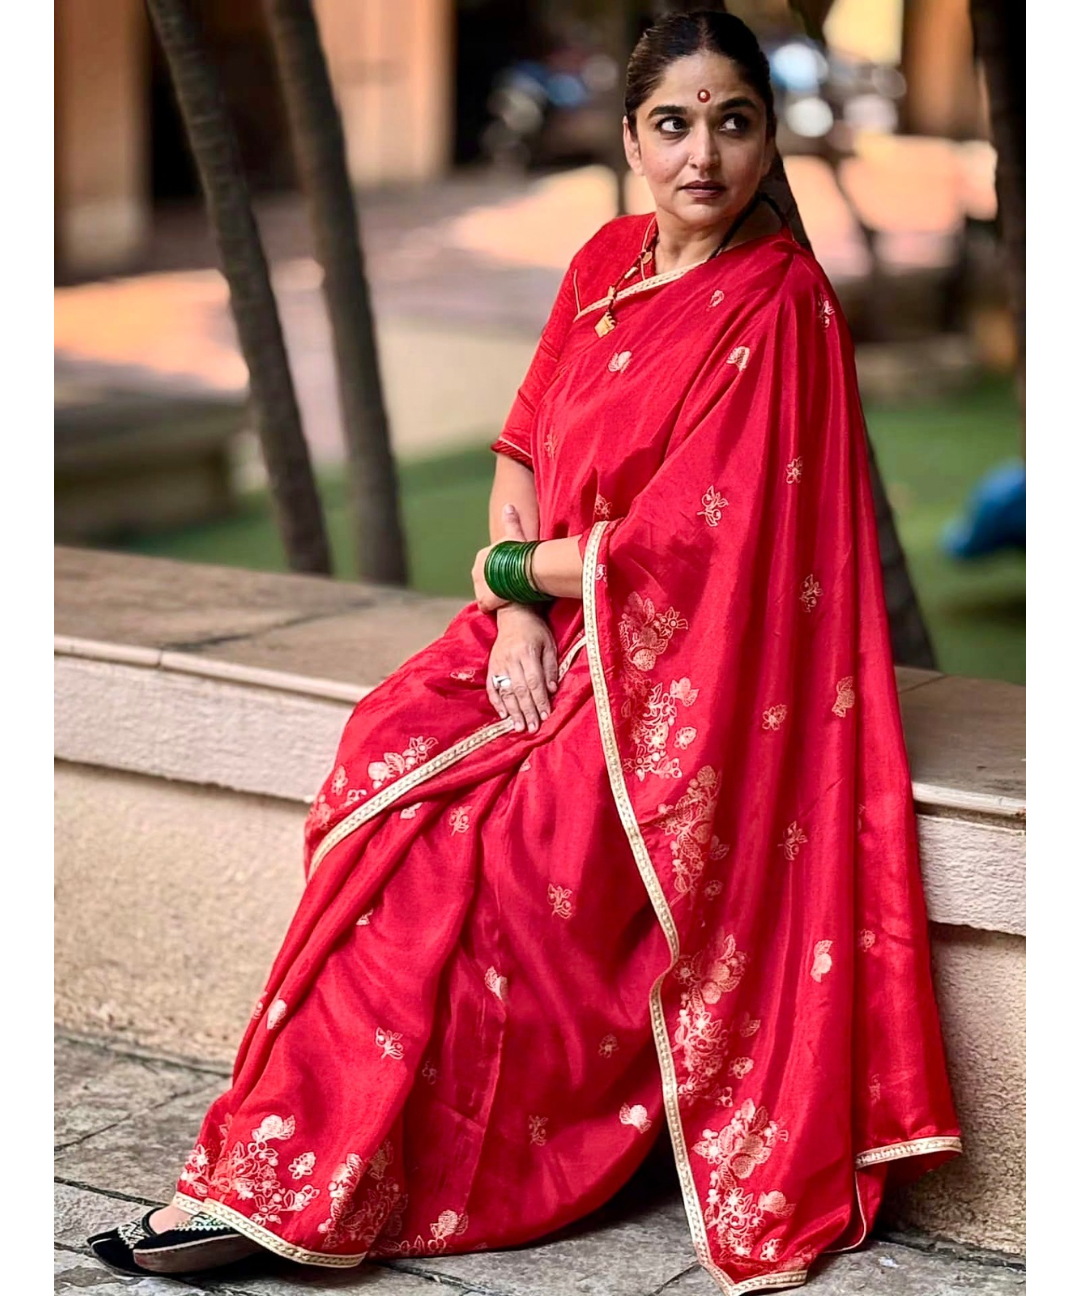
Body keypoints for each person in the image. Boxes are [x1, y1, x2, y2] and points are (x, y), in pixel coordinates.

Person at [89, 11, 961, 1292]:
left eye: (733, 122)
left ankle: (336, 1188)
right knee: (381, 764)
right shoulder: (605, 262)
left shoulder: (778, 306)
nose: (702, 156)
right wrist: (509, 618)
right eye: (673, 124)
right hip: (542, 632)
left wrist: (511, 574)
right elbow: (522, 451)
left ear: (770, 140)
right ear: (629, 138)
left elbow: (692, 555)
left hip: (676, 685)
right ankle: (269, 1162)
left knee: (480, 857)